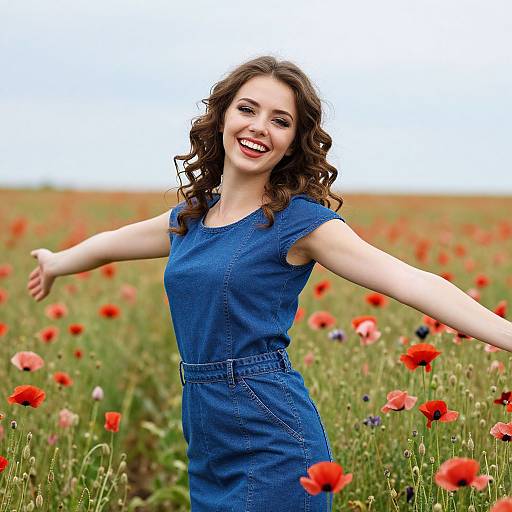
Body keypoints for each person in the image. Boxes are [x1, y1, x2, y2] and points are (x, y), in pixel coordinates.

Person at [28, 55, 512, 512]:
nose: (260, 126)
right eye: (248, 109)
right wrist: (54, 261)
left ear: (292, 141)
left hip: (273, 436)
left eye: (280, 120)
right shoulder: (191, 218)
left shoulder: (298, 223)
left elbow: (409, 280)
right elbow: (109, 244)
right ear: (222, 119)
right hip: (205, 435)